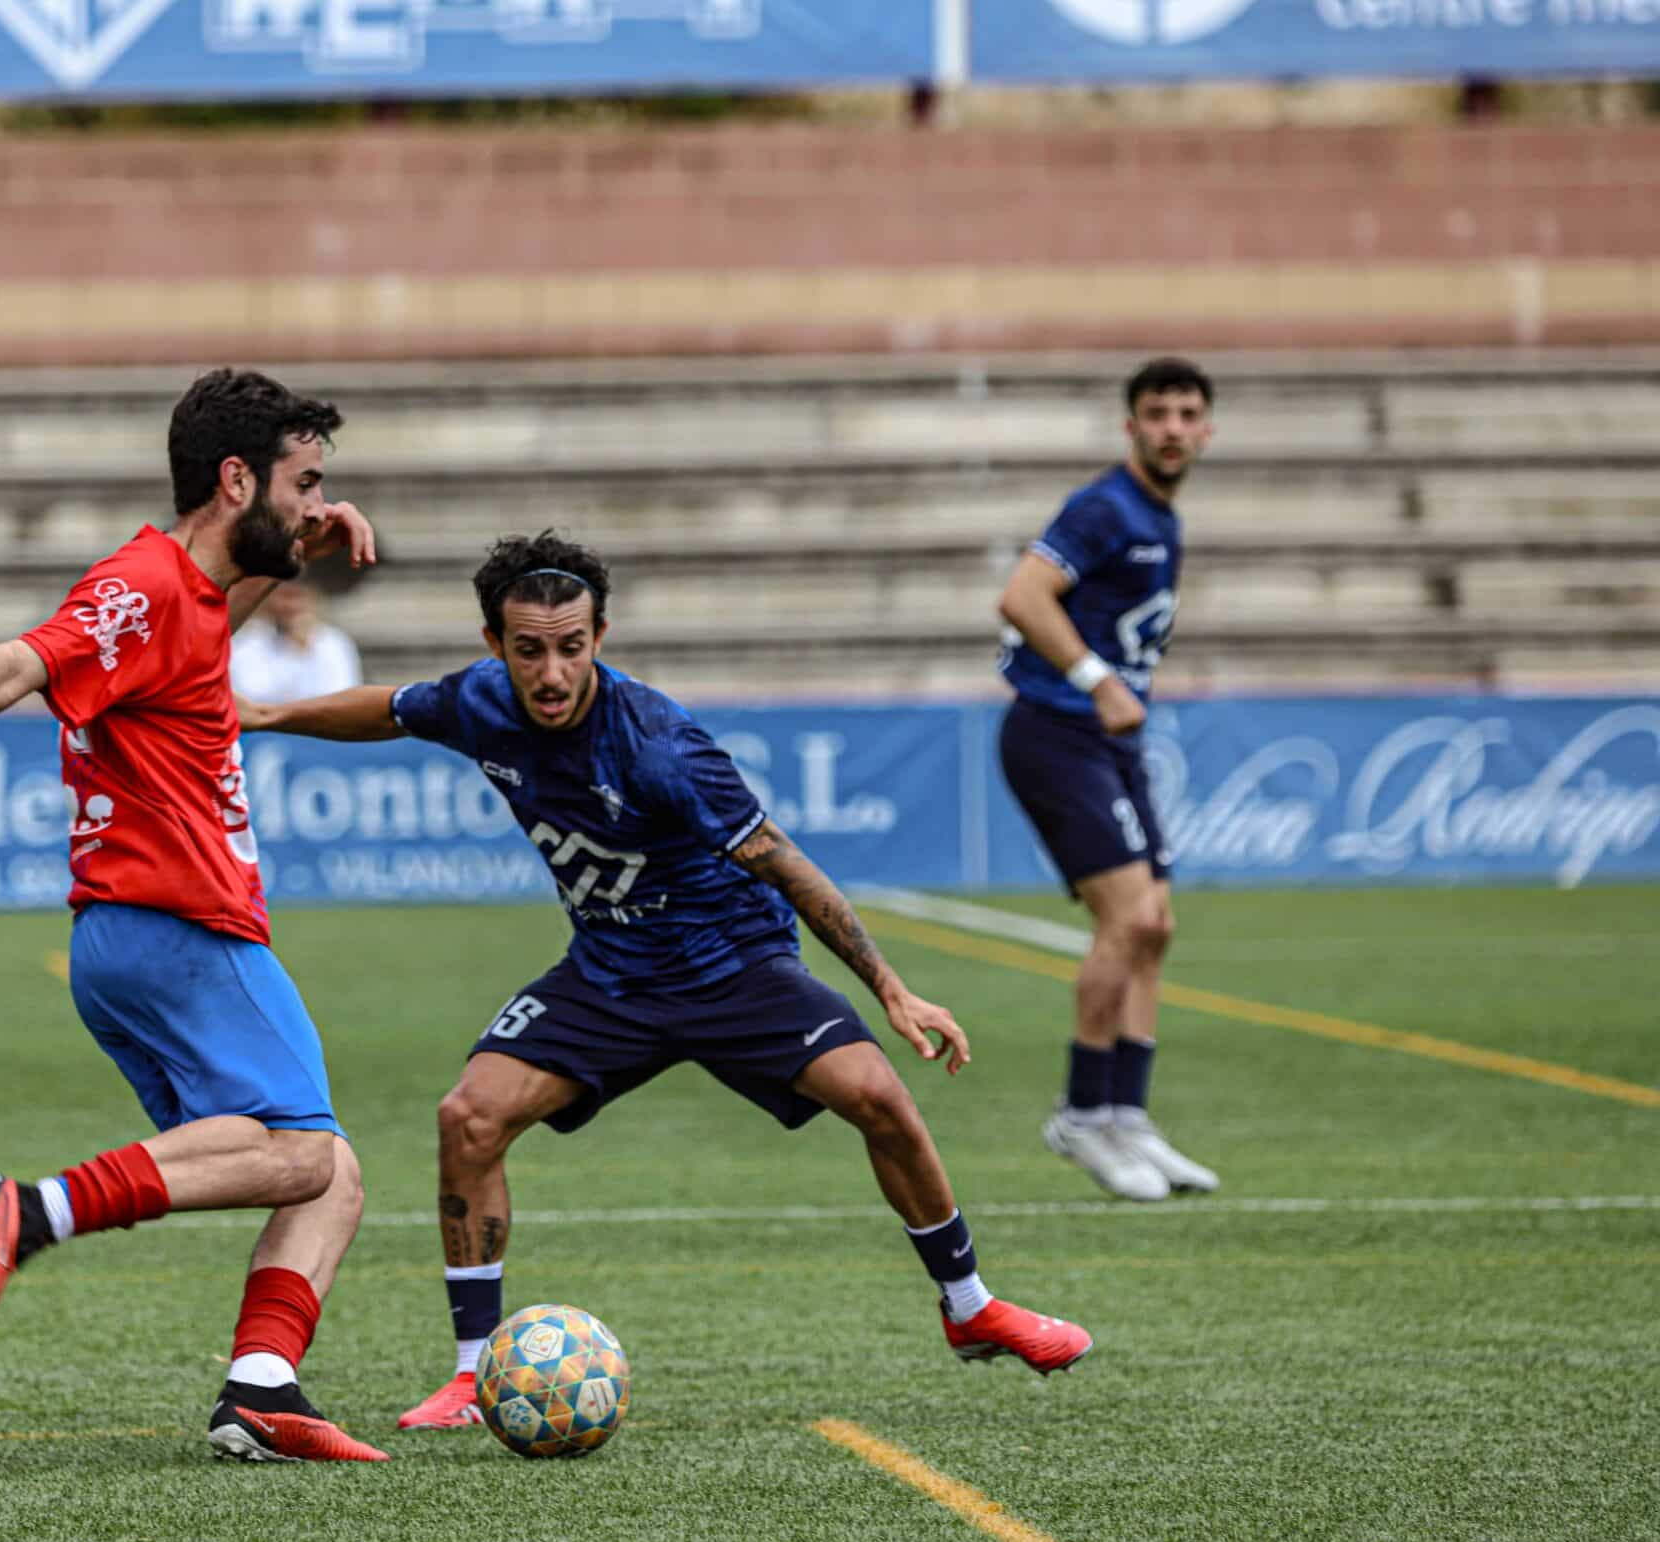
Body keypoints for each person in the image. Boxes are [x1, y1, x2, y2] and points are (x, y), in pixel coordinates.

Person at [240, 531, 1094, 1433]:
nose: (552, 673)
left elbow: (785, 862)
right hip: (609, 975)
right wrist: (266, 715)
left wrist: (891, 989)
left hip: (733, 966)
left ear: (599, 638)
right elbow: (389, 710)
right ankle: (470, 1374)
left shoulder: (658, 747)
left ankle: (970, 1307)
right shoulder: (481, 700)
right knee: (469, 1118)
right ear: (496, 645)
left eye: (572, 647)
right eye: (529, 650)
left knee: (878, 1095)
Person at [0, 369, 390, 1464]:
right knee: (304, 1152)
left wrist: (288, 552)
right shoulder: (143, 583)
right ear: (236, 478)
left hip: (134, 938)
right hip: (180, 927)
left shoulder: (191, 598)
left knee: (327, 1171)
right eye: (303, 483)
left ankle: (260, 1386)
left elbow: (195, 627)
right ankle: (32, 1209)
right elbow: (25, 658)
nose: (319, 502)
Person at [993, 356, 1221, 1203]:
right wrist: (1097, 680)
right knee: (1127, 920)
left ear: (1206, 430)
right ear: (1131, 427)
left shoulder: (1160, 516)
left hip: (1109, 742)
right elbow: (1024, 596)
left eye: (1186, 414)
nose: (1172, 428)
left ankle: (1128, 1115)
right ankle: (1084, 1115)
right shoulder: (1105, 507)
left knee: (1154, 927)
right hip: (1057, 734)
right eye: (1157, 413)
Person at [231, 579, 363, 703]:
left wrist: (302, 650)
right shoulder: (249, 641)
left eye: (297, 597)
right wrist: (294, 652)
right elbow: (250, 694)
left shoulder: (334, 642)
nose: (291, 606)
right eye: (284, 597)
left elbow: (342, 692)